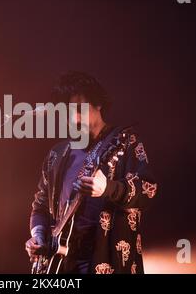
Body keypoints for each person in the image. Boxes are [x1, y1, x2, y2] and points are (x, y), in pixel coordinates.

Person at [25, 71, 158, 274]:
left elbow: (148, 190)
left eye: (80, 108)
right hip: (60, 263)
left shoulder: (124, 142)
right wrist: (39, 235)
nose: (75, 118)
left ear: (99, 104)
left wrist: (109, 188)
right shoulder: (57, 154)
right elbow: (40, 206)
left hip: (106, 259)